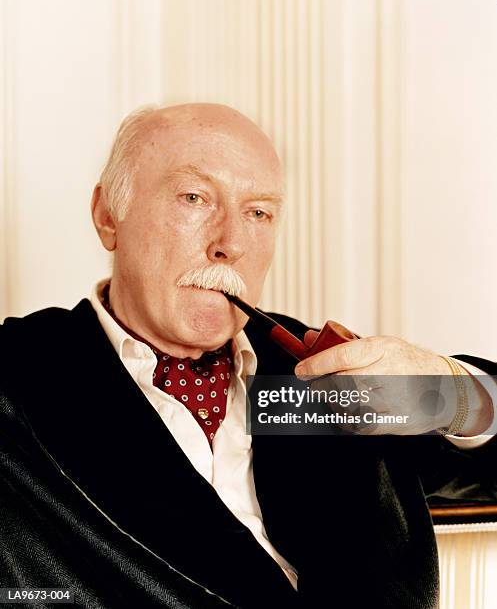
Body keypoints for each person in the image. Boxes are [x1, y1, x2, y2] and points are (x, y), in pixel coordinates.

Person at [1, 103, 496, 609]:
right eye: (194, 198)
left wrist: (450, 391)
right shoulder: (19, 376)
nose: (231, 244)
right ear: (109, 217)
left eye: (258, 212)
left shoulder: (323, 371)